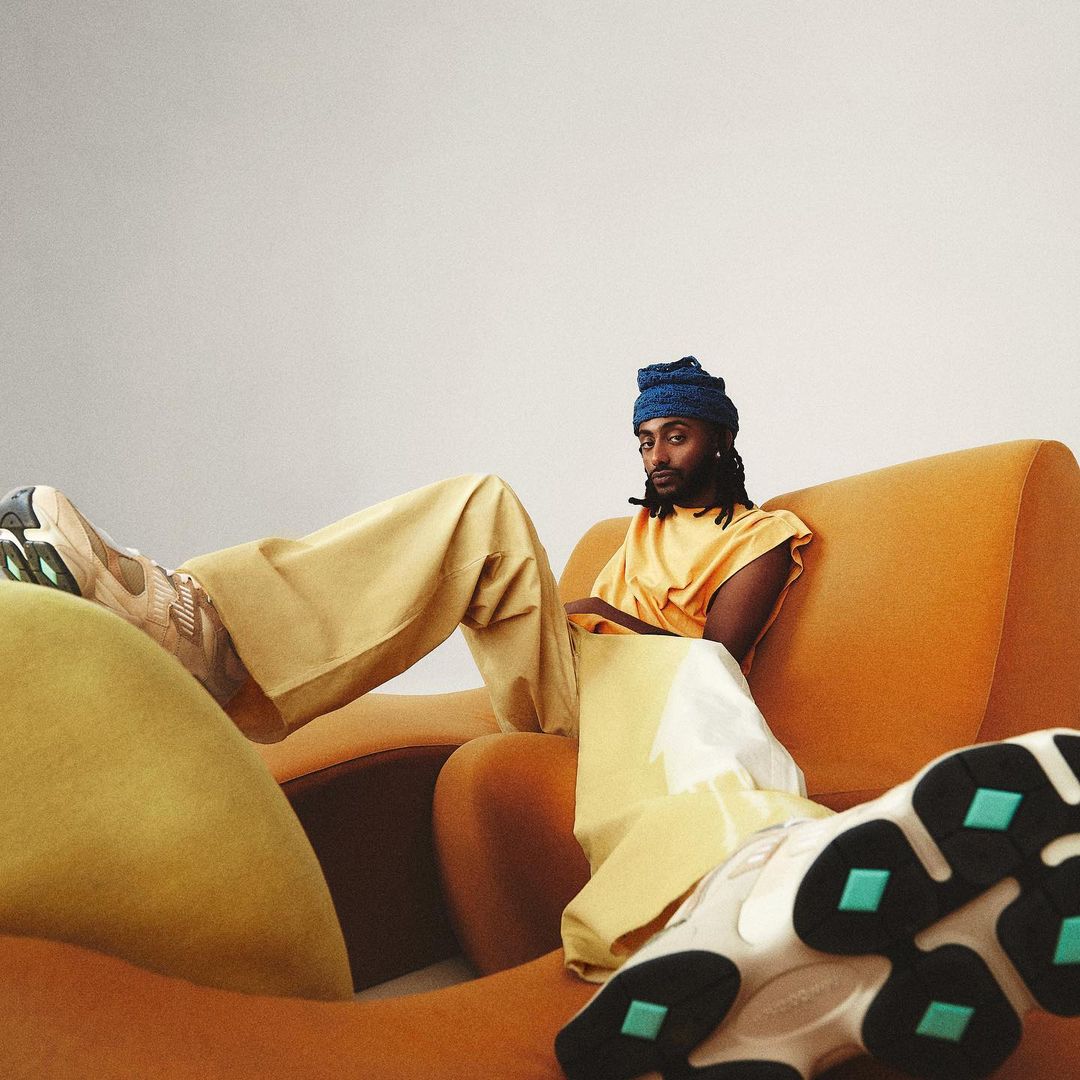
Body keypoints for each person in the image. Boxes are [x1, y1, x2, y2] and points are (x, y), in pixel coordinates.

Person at [1, 358, 1076, 1080]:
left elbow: (722, 642)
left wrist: (602, 619)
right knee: (480, 507)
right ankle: (205, 635)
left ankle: (752, 876)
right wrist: (582, 619)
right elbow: (587, 624)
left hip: (647, 667)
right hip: (577, 673)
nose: (657, 456)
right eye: (647, 440)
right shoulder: (632, 535)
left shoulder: (761, 535)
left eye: (677, 437)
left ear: (718, 441)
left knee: (689, 668)